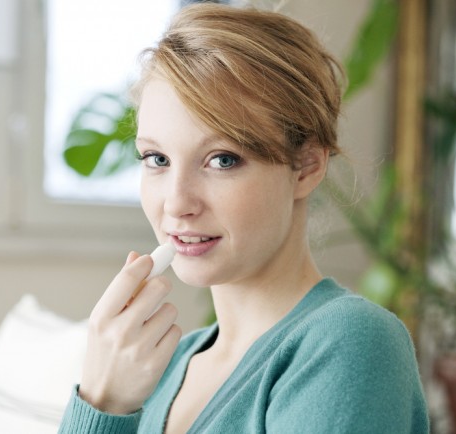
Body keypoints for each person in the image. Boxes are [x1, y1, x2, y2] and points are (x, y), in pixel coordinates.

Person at [59, 3, 429, 433]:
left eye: (222, 160)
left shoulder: (351, 342)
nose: (176, 204)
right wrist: (103, 403)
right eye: (156, 158)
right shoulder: (158, 367)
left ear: (306, 166)